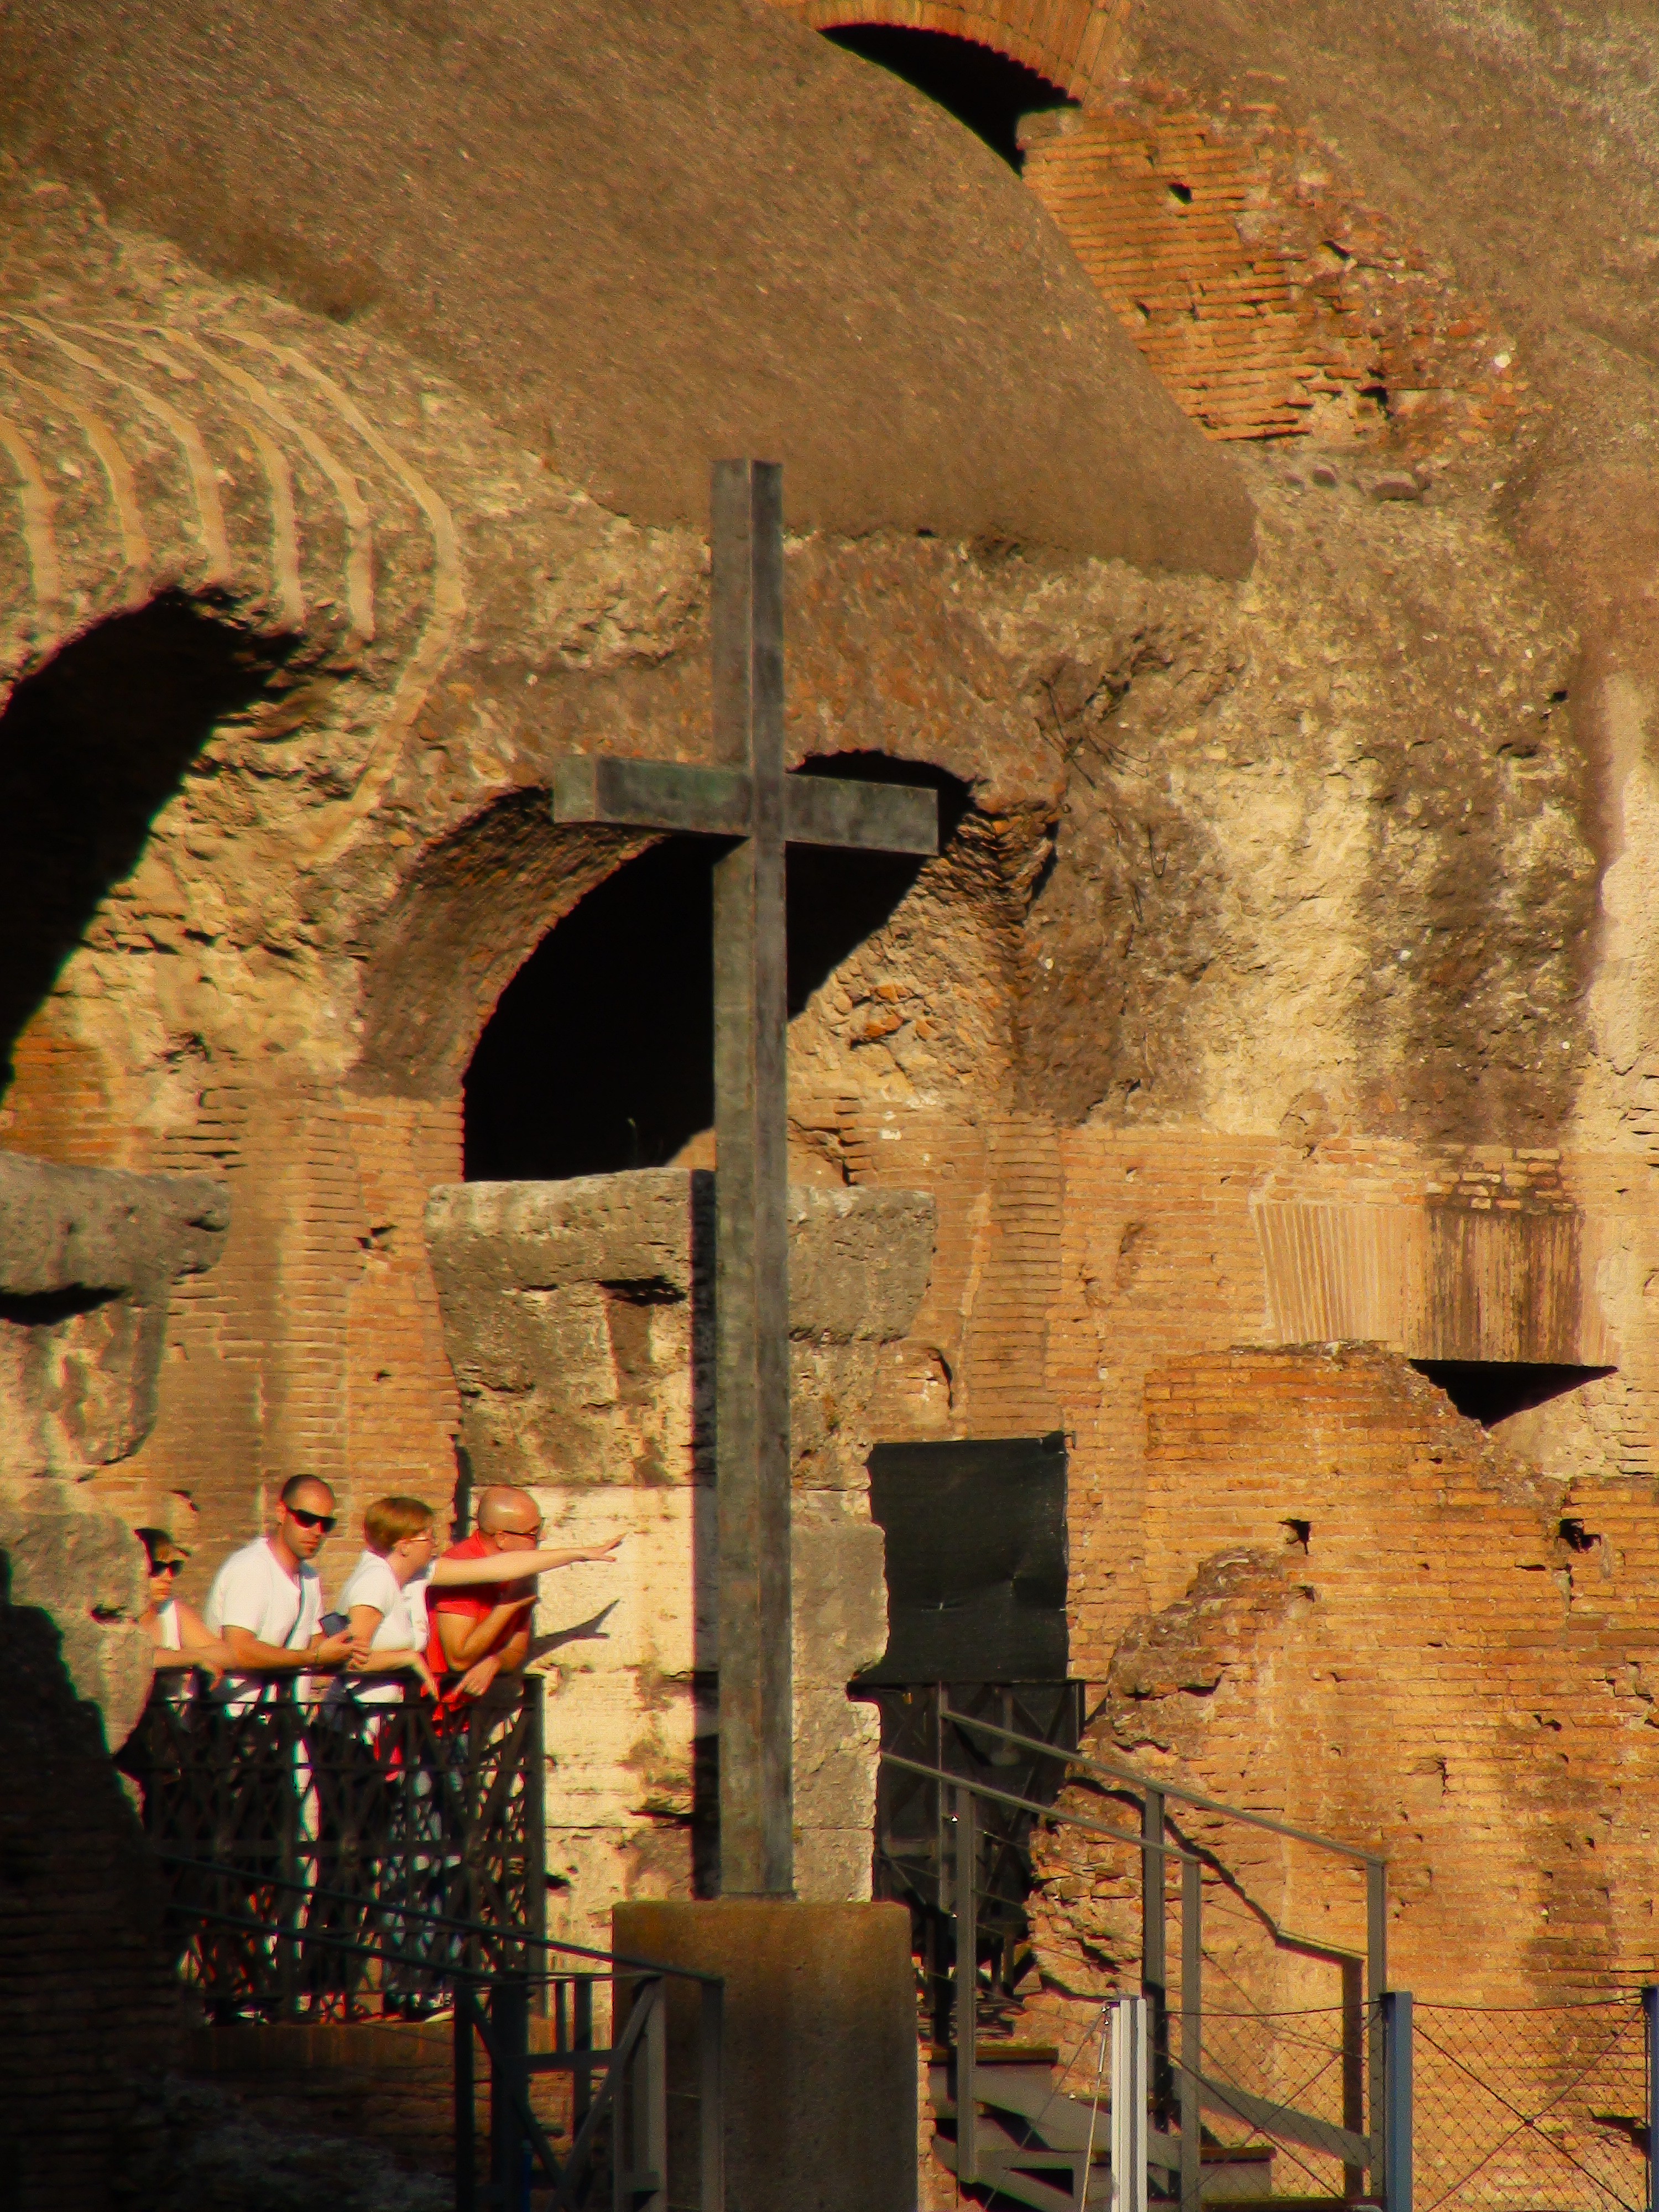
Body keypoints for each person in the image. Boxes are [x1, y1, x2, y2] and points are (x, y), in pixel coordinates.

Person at [427, 1484, 623, 1699]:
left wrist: (496, 1662)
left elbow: (516, 1650)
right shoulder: (460, 1567)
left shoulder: (519, 1574)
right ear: (502, 1538)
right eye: (534, 1532)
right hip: (430, 1706)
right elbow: (459, 1659)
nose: (543, 1536)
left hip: (474, 1710)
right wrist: (509, 1605)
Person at [204, 1474, 355, 1705]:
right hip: (237, 1715)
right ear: (282, 1513)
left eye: (326, 1524)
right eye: (307, 1519)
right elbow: (239, 1649)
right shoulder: (251, 1567)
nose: (317, 1531)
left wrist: (344, 1649)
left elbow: (313, 1643)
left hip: (287, 1716)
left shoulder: (310, 1578)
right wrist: (314, 1657)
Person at [134, 1526, 232, 1689]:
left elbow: (226, 1654)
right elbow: (137, 1657)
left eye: (174, 1567)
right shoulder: (117, 1617)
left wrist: (182, 1658)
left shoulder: (172, 1610)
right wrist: (195, 1658)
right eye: (157, 1568)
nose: (168, 1577)